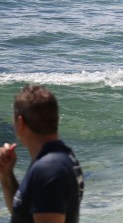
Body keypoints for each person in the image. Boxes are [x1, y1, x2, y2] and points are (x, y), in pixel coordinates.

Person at [0, 85, 84, 223]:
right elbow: (24, 214)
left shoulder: (48, 169)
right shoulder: (60, 157)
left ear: (20, 123)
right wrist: (6, 174)